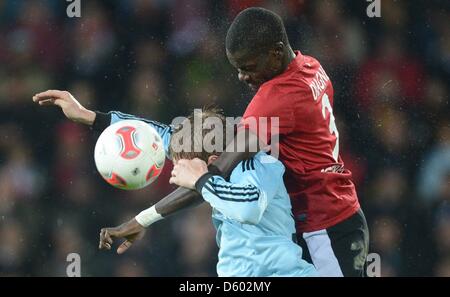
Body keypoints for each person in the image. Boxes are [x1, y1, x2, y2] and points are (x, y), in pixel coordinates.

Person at [32, 7, 369, 277]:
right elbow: (167, 136)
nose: (242, 77)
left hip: (325, 226)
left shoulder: (272, 108)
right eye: (237, 68)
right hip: (331, 214)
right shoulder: (309, 65)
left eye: (248, 67)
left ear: (275, 52)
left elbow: (215, 175)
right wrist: (95, 117)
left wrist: (144, 217)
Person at [114, 109, 316, 276]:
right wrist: (92, 117)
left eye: (184, 169)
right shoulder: (202, 154)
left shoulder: (257, 166)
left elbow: (248, 209)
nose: (178, 177)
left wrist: (201, 181)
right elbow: (154, 133)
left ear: (210, 161)